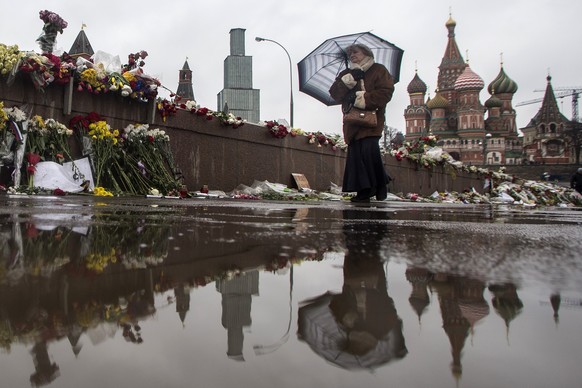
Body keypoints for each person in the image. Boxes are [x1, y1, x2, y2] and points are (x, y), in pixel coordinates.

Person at [329, 43, 394, 203]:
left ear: (366, 53)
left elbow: (385, 93)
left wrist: (360, 98)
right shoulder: (347, 73)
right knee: (356, 155)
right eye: (350, 53)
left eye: (355, 52)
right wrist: (349, 81)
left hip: (372, 120)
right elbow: (335, 94)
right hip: (353, 122)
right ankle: (369, 188)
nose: (352, 55)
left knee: (369, 151)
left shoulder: (379, 70)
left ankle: (374, 187)